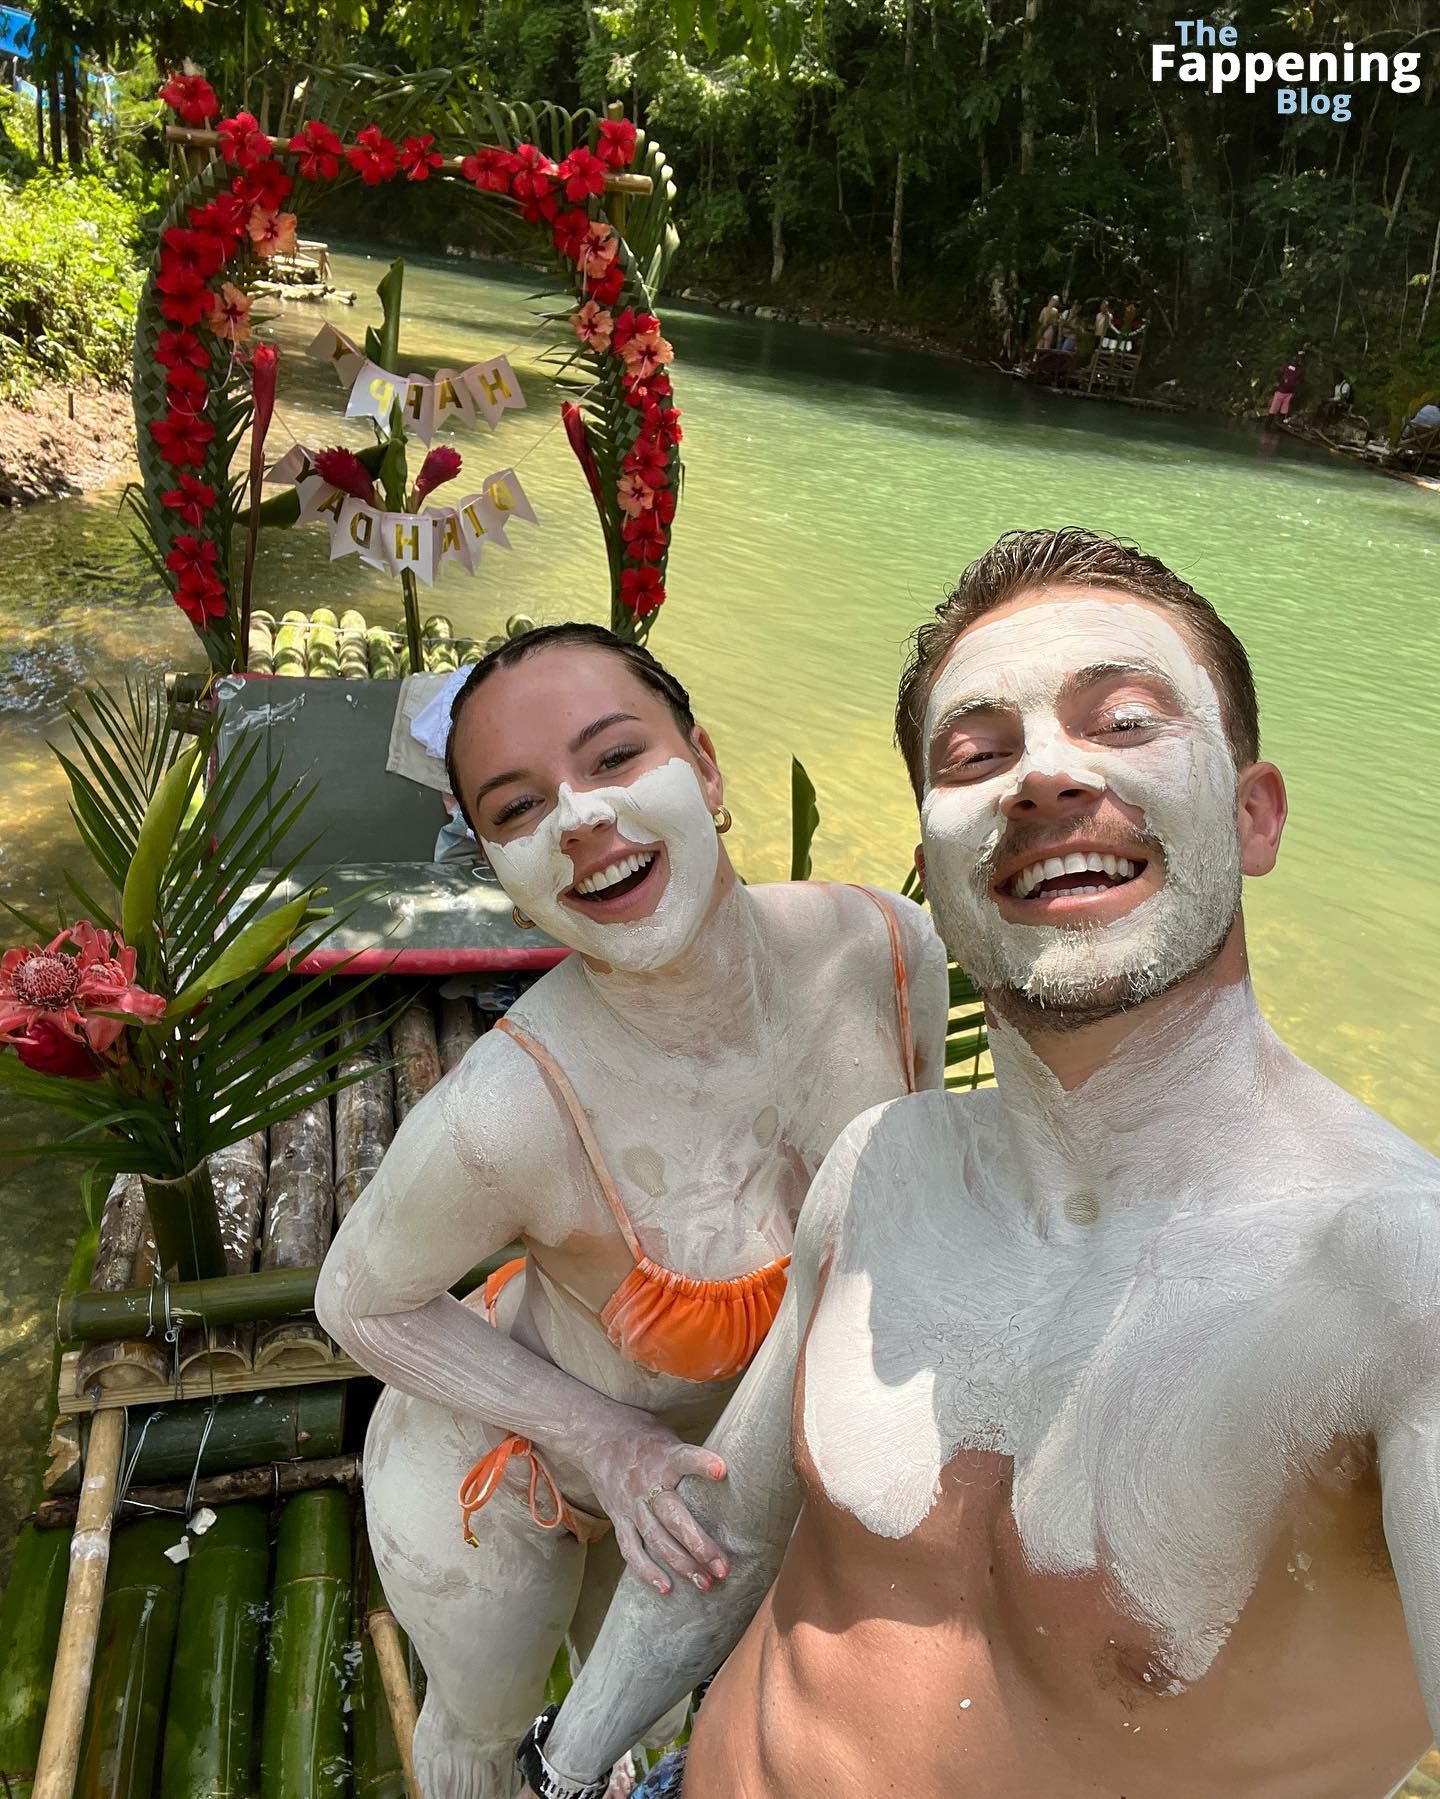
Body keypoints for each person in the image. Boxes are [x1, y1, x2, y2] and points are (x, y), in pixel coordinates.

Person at [523, 530, 1440, 1799]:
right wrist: (563, 1770)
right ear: (934, 870)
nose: (1044, 775)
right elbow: (725, 1529)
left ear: (1253, 813)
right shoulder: (884, 1168)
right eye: (976, 753)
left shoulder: (1396, 1283)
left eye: (1123, 721)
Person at [314, 621, 947, 1797]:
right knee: (488, 1731)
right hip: (498, 1475)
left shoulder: (889, 949)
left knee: (649, 1736)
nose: (580, 815)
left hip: (712, 1482)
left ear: (704, 765)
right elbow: (356, 1298)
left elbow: (914, 1202)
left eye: (614, 756)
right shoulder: (508, 1110)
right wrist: (602, 1439)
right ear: (502, 870)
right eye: (517, 807)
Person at [1268, 354, 1304, 421]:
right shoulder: (1287, 366)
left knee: (1283, 409)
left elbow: (1300, 379)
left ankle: (1279, 422)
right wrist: (1282, 383)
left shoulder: (1299, 369)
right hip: (1282, 391)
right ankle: (1270, 423)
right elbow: (1280, 375)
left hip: (1288, 392)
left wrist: (1294, 386)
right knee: (1275, 408)